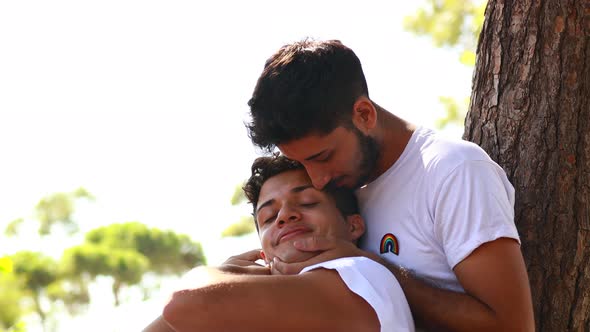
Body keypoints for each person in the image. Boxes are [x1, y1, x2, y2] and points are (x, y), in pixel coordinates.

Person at [240, 38, 535, 331]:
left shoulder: (453, 171)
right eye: (303, 164)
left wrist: (369, 268)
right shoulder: (340, 193)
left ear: (364, 115)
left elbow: (512, 325)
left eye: (323, 157)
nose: (318, 179)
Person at [144, 155, 415, 332]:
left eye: (307, 202)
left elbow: (184, 303)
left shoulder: (361, 273)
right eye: (270, 217)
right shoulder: (279, 299)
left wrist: (226, 272)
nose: (285, 215)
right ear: (263, 249)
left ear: (353, 225)